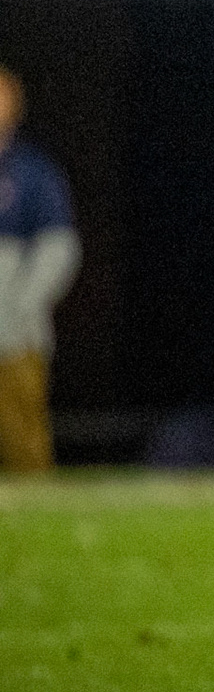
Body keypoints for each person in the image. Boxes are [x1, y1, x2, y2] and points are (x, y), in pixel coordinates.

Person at [0, 67, 79, 472]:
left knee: (22, 447)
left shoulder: (32, 172)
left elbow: (59, 250)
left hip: (12, 337)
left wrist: (18, 306)